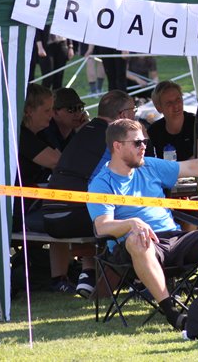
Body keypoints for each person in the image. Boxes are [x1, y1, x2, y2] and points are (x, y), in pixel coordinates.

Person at [87, 118, 198, 330]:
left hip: (172, 237)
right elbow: (102, 226)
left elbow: (191, 166)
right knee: (138, 240)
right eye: (137, 143)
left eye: (145, 142)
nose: (143, 147)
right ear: (117, 146)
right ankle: (172, 313)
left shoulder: (149, 165)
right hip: (136, 247)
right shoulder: (101, 183)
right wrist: (131, 223)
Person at [45, 90, 136, 297]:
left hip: (50, 214)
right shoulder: (116, 138)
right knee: (135, 214)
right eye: (133, 110)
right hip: (76, 216)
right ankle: (136, 276)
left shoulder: (84, 132)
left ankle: (89, 274)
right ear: (123, 115)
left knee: (101, 206)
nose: (135, 115)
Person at [16, 83, 77, 293]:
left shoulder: (40, 134)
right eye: (46, 110)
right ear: (28, 111)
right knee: (60, 216)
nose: (51, 115)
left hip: (33, 202)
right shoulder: (21, 136)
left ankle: (76, 272)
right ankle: (60, 278)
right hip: (17, 208)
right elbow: (58, 162)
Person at [146, 80, 198, 160]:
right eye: (169, 103)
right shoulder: (153, 130)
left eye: (178, 100)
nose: (176, 105)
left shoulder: (196, 122)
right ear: (159, 108)